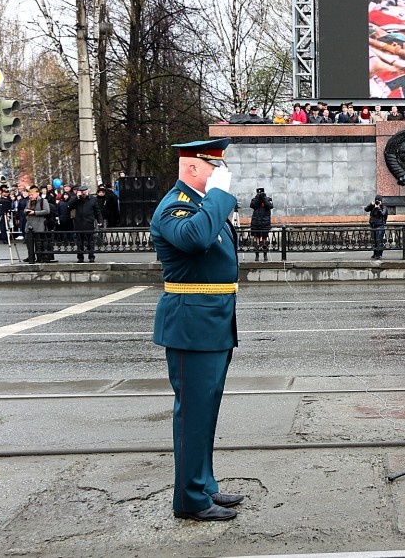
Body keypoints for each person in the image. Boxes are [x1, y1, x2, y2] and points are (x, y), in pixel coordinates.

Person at [151, 139, 244, 522]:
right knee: (192, 415)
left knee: (205, 414)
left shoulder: (201, 206)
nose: (219, 176)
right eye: (213, 169)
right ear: (193, 169)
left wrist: (217, 200)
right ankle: (189, 499)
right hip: (192, 325)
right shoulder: (175, 206)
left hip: (214, 322)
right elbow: (197, 238)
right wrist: (220, 197)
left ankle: (204, 484)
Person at [71, 184, 103, 262]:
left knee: (90, 241)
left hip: (89, 222)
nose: (83, 194)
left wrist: (100, 220)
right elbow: (70, 206)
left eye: (85, 192)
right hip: (79, 223)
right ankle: (80, 257)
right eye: (82, 192)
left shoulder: (93, 199)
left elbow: (97, 210)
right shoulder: (76, 199)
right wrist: (76, 198)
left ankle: (91, 256)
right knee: (80, 242)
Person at [24, 185, 55, 263]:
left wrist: (35, 213)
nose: (30, 196)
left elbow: (47, 211)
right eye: (29, 195)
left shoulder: (43, 201)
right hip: (29, 224)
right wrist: (26, 211)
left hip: (39, 225)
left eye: (32, 195)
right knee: (29, 242)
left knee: (39, 242)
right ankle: (31, 256)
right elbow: (25, 209)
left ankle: (40, 257)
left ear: (37, 194)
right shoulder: (29, 202)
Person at [249, 187, 274, 261]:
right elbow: (252, 205)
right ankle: (257, 256)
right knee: (257, 239)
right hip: (256, 222)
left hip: (265, 222)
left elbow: (270, 206)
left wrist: (264, 198)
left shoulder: (268, 199)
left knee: (264, 240)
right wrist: (258, 198)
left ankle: (265, 255)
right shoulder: (255, 200)